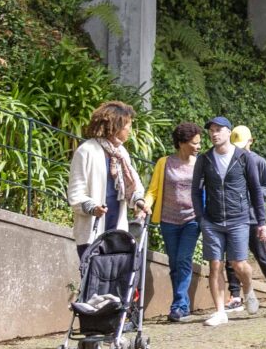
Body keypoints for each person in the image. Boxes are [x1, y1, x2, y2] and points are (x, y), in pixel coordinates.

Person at [193, 116, 266, 325]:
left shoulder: (244, 157)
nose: (214, 134)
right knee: (215, 264)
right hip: (212, 220)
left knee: (238, 263)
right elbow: (195, 191)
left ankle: (249, 289)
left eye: (218, 130)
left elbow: (255, 190)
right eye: (211, 130)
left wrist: (261, 222)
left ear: (228, 132)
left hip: (239, 219)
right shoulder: (205, 159)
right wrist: (201, 217)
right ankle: (220, 312)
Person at [144, 121, 204, 324]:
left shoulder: (200, 164)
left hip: (192, 219)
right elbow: (153, 190)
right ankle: (183, 305)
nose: (198, 146)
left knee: (183, 260)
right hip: (168, 220)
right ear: (182, 143)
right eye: (195, 143)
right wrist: (146, 205)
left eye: (199, 143)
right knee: (174, 263)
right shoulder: (164, 162)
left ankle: (177, 305)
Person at [67, 102, 143, 252]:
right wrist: (93, 208)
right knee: (91, 275)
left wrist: (139, 201)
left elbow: (134, 183)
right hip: (91, 232)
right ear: (116, 126)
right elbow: (75, 194)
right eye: (128, 126)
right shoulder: (86, 151)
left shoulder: (121, 154)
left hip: (117, 232)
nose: (130, 130)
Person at [233, 121, 266, 309]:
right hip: (234, 217)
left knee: (261, 254)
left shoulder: (259, 162)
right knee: (233, 258)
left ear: (250, 141)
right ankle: (235, 296)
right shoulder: (230, 160)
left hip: (253, 217)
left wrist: (252, 192)